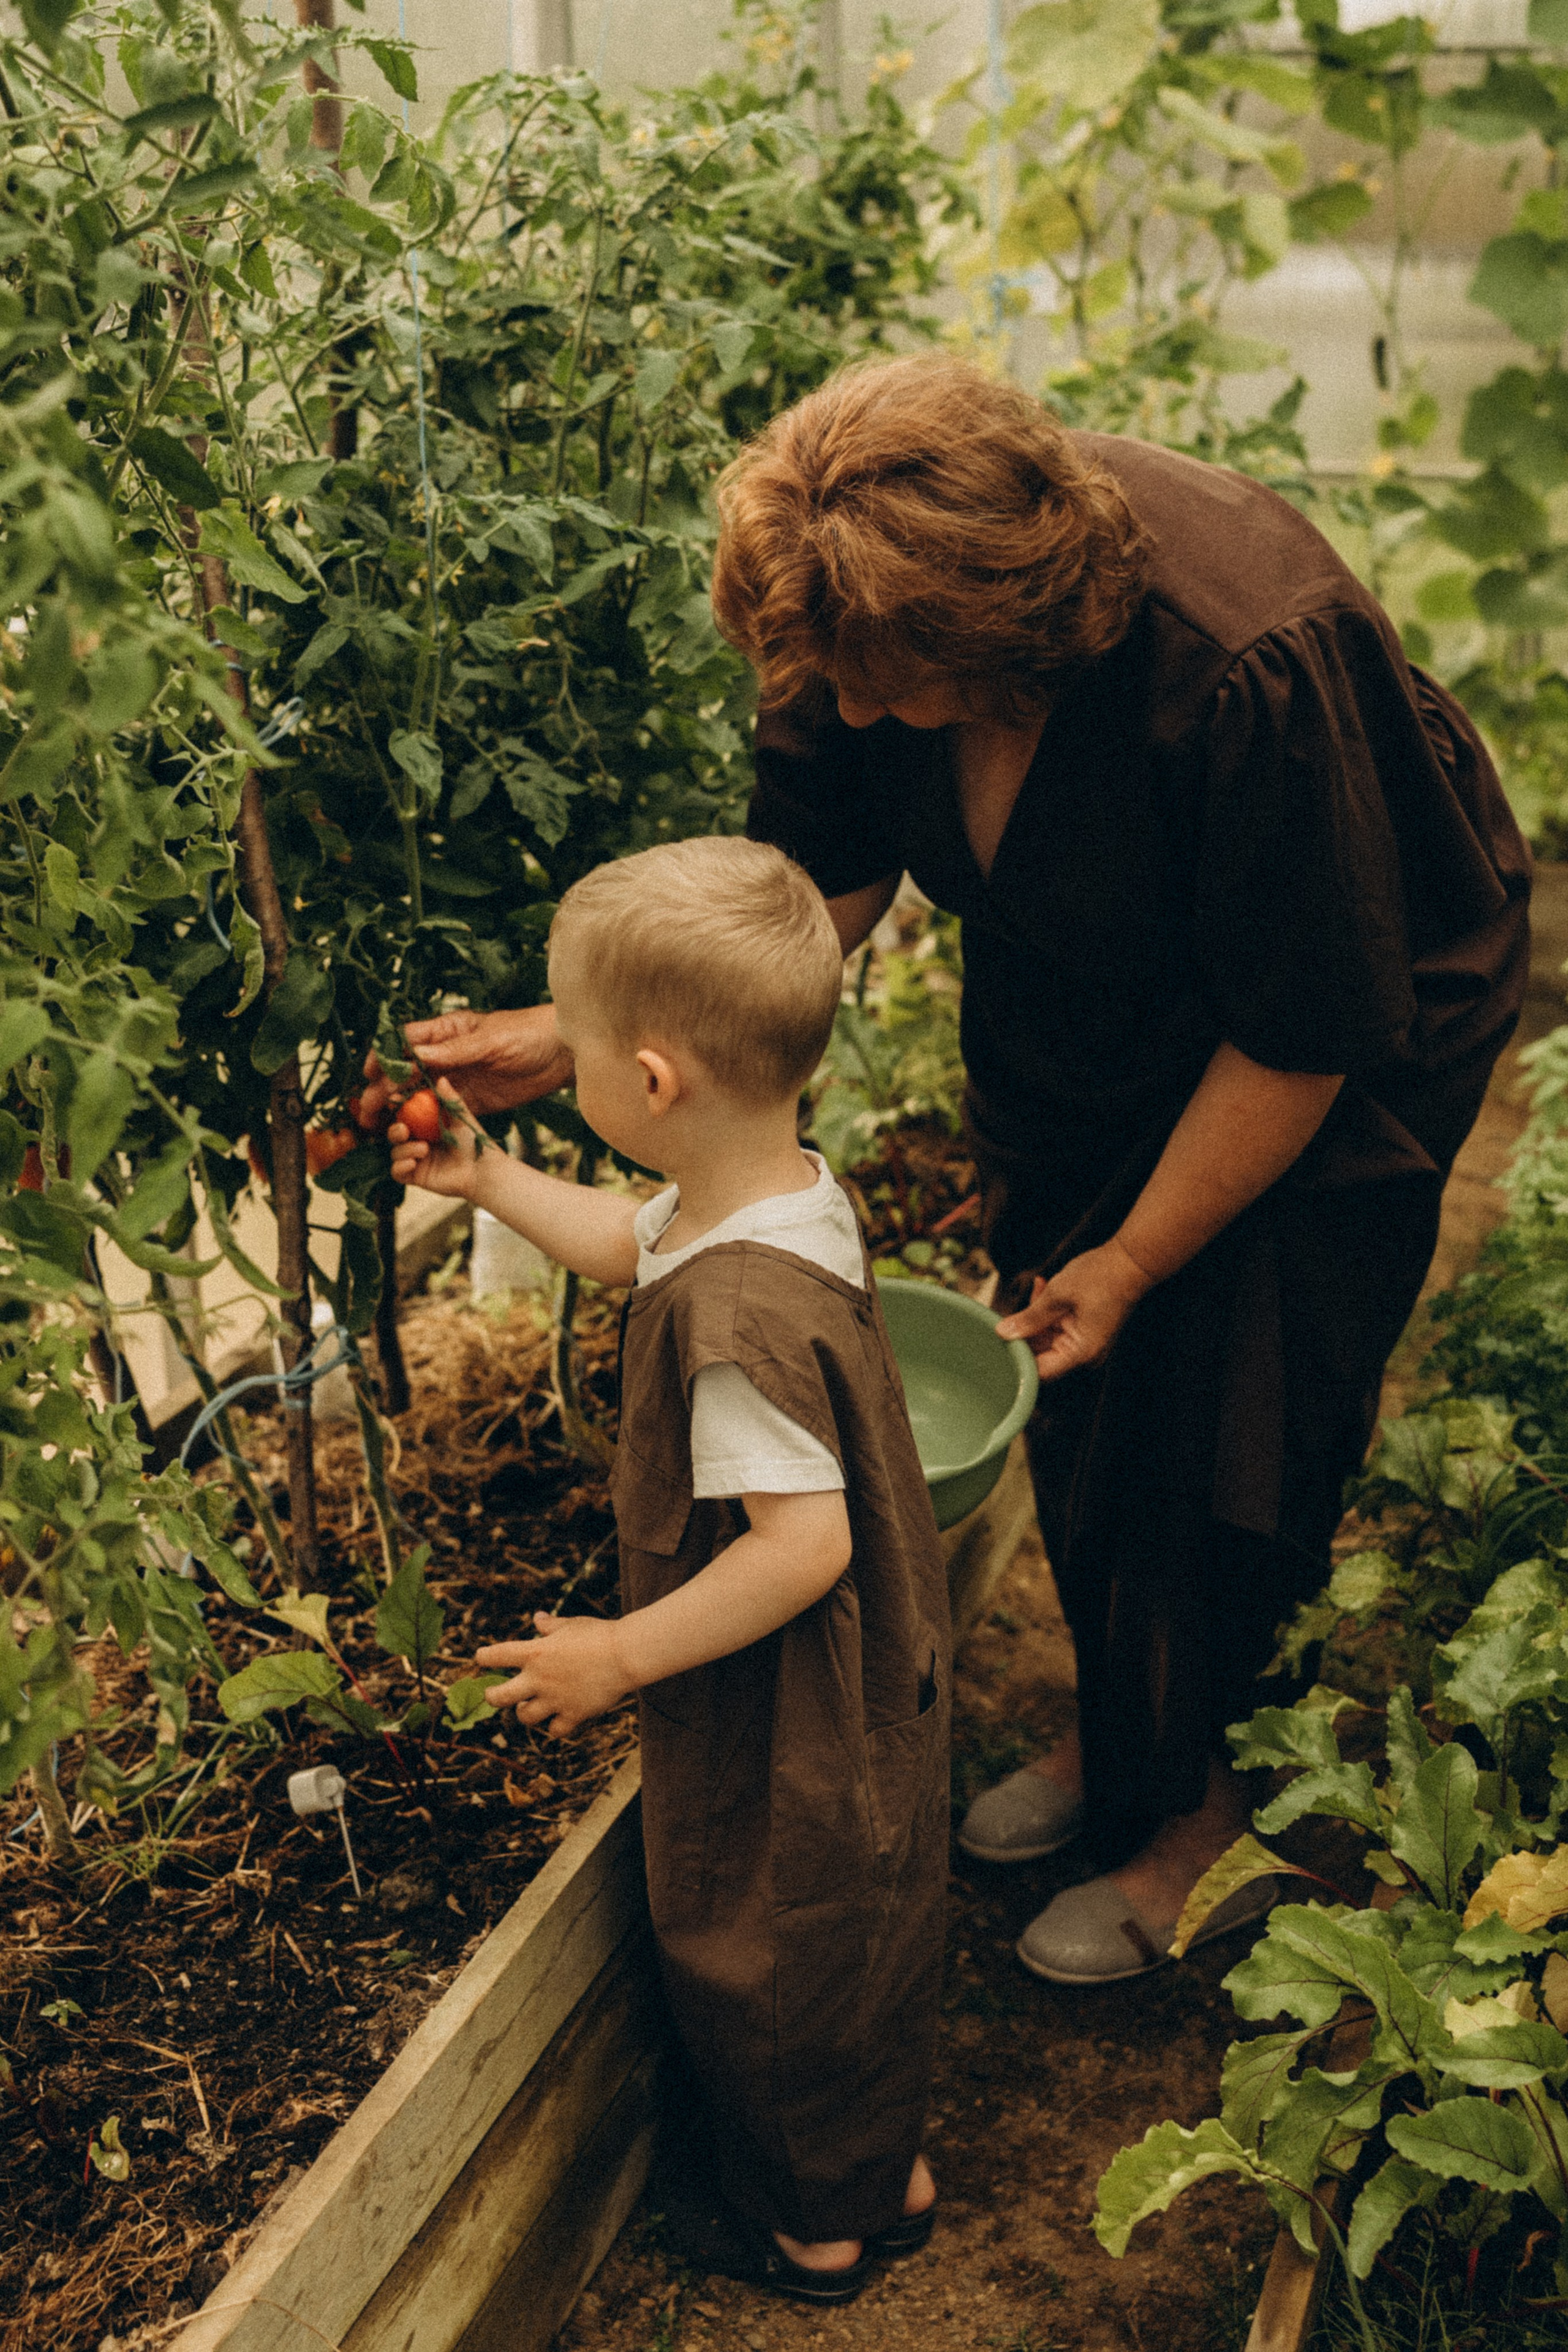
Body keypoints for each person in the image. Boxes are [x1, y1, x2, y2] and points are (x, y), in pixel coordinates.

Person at [369, 355, 1531, 1989]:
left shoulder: (1245, 661)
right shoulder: (844, 618)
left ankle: (1195, 1821)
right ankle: (1119, 1735)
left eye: (874, 689)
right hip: (1102, 965)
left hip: (1342, 1001)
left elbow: (1302, 1033)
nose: (841, 718)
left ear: (1000, 652)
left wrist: (1139, 1257)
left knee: (1239, 1385)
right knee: (1051, 1330)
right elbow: (810, 903)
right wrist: (576, 1038)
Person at [387, 835, 949, 2303]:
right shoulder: (773, 1197)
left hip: (788, 1699)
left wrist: (621, 1654)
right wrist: (490, 1175)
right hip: (871, 1675)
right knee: (867, 1913)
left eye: (570, 1049)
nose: (560, 1068)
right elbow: (628, 1244)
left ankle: (820, 2223)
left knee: (774, 1942)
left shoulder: (730, 1325)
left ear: (649, 1083)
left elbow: (803, 1547)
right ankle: (886, 2167)